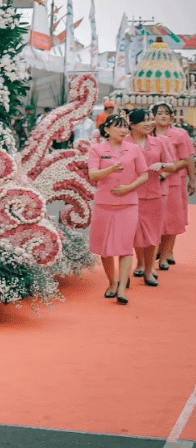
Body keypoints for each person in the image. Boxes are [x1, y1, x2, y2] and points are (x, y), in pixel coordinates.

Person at [88, 114, 148, 305]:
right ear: (106, 129)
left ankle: (122, 288)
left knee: (125, 247)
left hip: (128, 203)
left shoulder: (134, 149)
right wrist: (110, 170)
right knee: (105, 248)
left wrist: (128, 188)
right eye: (118, 127)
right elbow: (93, 175)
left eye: (125, 128)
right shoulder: (97, 149)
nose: (123, 131)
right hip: (104, 204)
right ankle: (112, 283)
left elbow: (145, 175)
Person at [124, 109, 173, 286]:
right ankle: (133, 267)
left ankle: (148, 270)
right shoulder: (124, 143)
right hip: (130, 195)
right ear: (131, 124)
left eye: (150, 120)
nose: (149, 123)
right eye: (144, 120)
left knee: (153, 235)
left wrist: (163, 165)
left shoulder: (158, 143)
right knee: (132, 234)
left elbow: (172, 166)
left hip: (153, 194)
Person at [152, 102, 196, 269]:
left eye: (166, 113)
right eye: (159, 113)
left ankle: (166, 253)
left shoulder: (180, 134)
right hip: (152, 182)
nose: (163, 116)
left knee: (172, 218)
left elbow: (188, 158)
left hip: (174, 182)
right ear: (153, 117)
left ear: (171, 117)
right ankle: (159, 251)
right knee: (156, 219)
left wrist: (192, 180)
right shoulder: (149, 134)